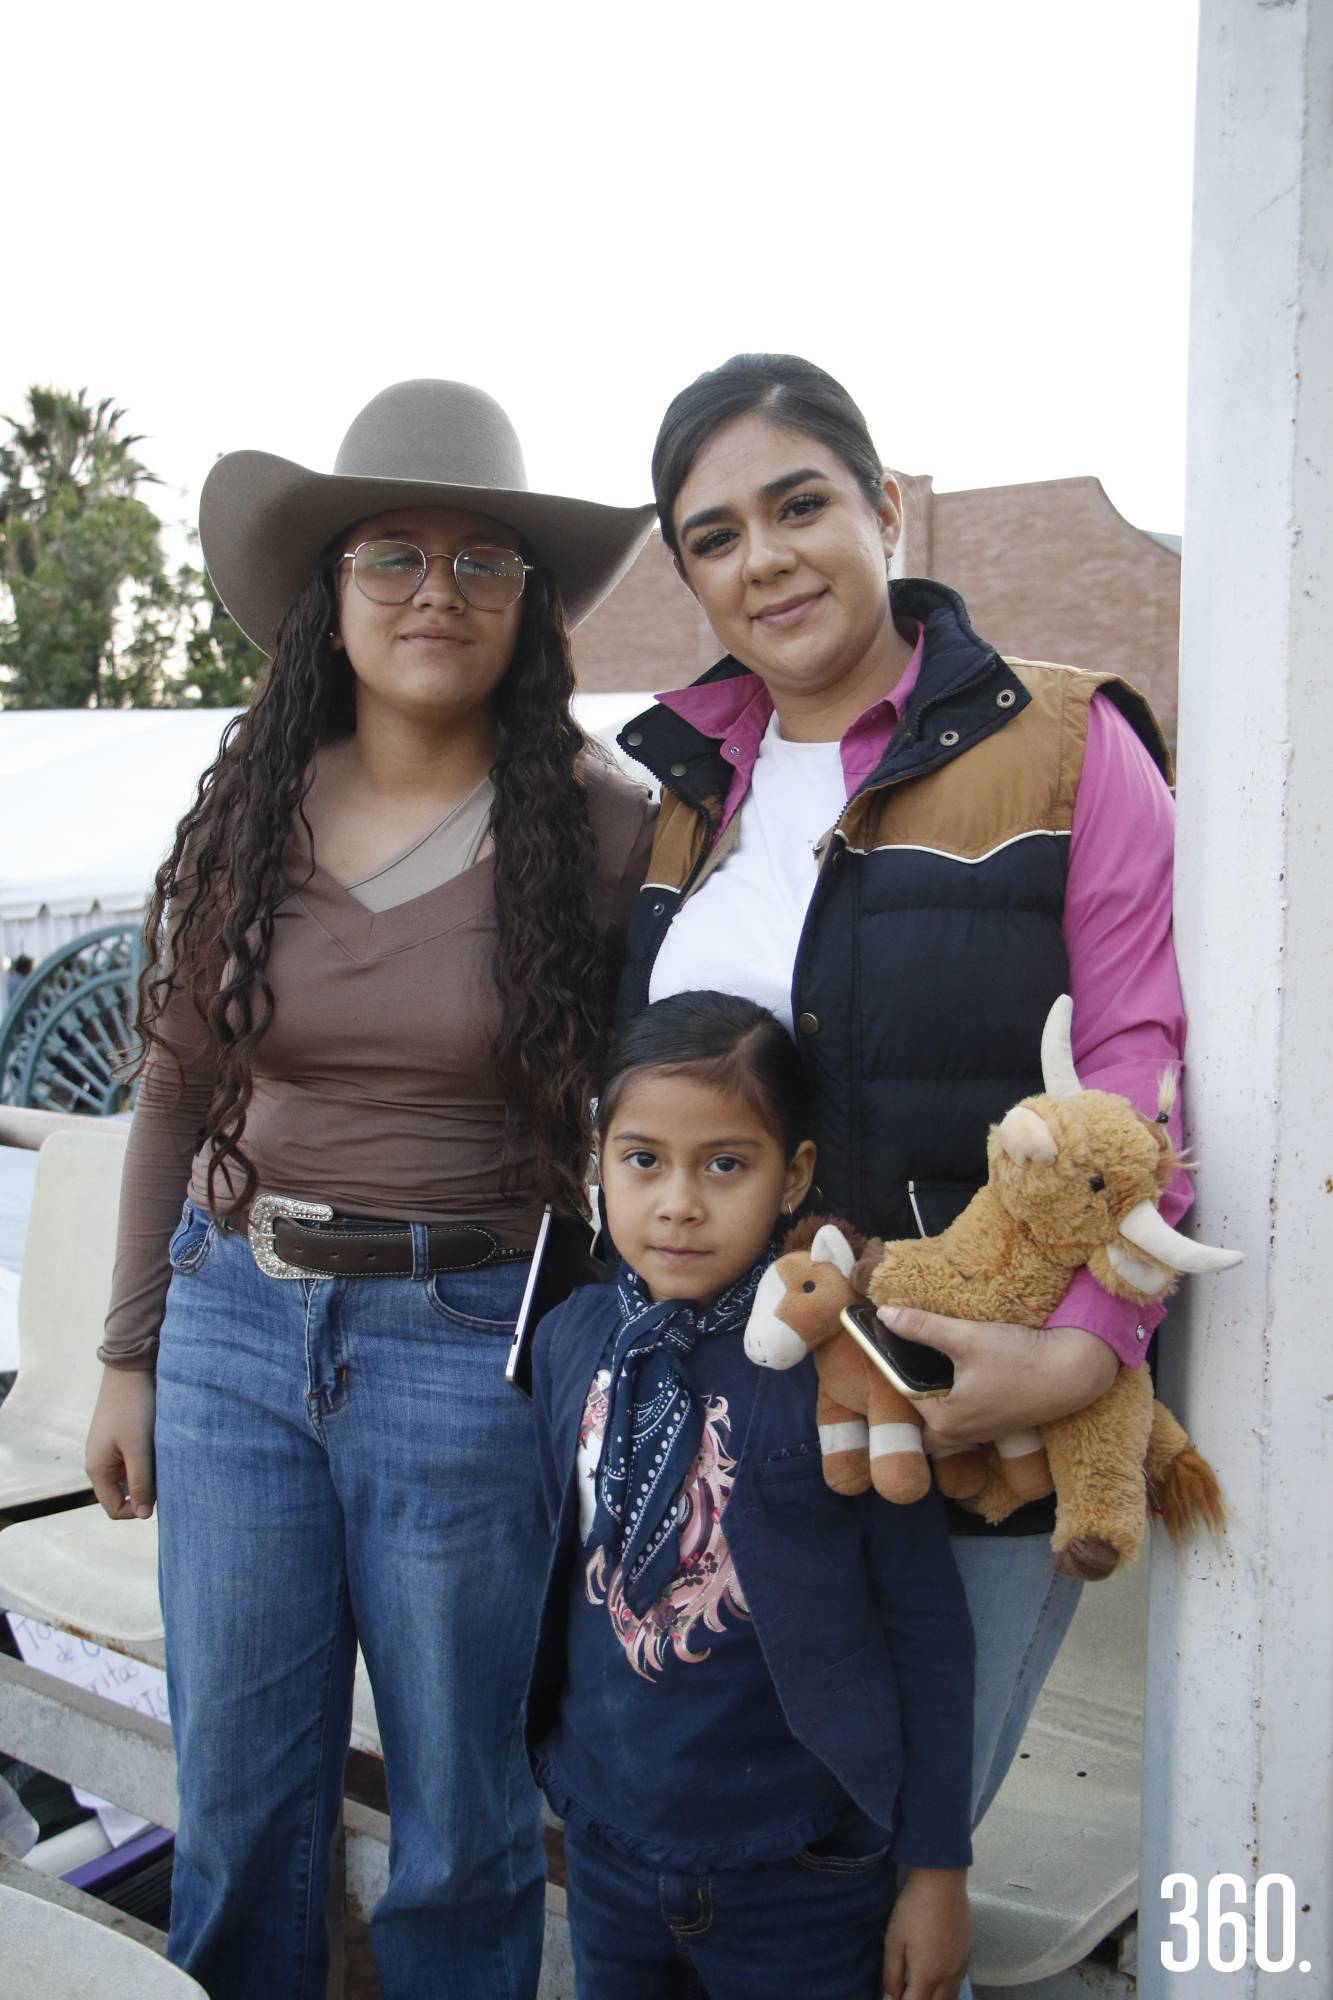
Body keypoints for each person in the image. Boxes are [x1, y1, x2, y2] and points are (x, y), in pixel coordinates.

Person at [83, 379, 656, 2000]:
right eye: (392, 555)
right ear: (329, 596)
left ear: (527, 608)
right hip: (229, 1343)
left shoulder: (604, 830)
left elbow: (678, 1107)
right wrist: (128, 1355)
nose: (436, 594)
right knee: (246, 1811)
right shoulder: (242, 815)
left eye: (484, 564)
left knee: (465, 1821)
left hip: (471, 1353)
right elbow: (175, 1091)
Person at [615, 355, 1190, 1968]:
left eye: (798, 504)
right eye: (713, 534)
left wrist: (1084, 1350)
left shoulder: (1069, 742)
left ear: (881, 506)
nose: (765, 558)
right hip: (735, 1427)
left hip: (972, 1429)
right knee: (746, 1861)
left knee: (879, 1871)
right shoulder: (680, 803)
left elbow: (1144, 1071)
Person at [527, 989, 974, 2000]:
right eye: (642, 1158)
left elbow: (926, 1621)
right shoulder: (567, 1342)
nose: (678, 1201)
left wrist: (937, 1865)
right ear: (596, 1157)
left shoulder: (838, 1370)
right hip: (605, 1844)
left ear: (793, 1174)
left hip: (802, 1865)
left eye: (724, 1162)